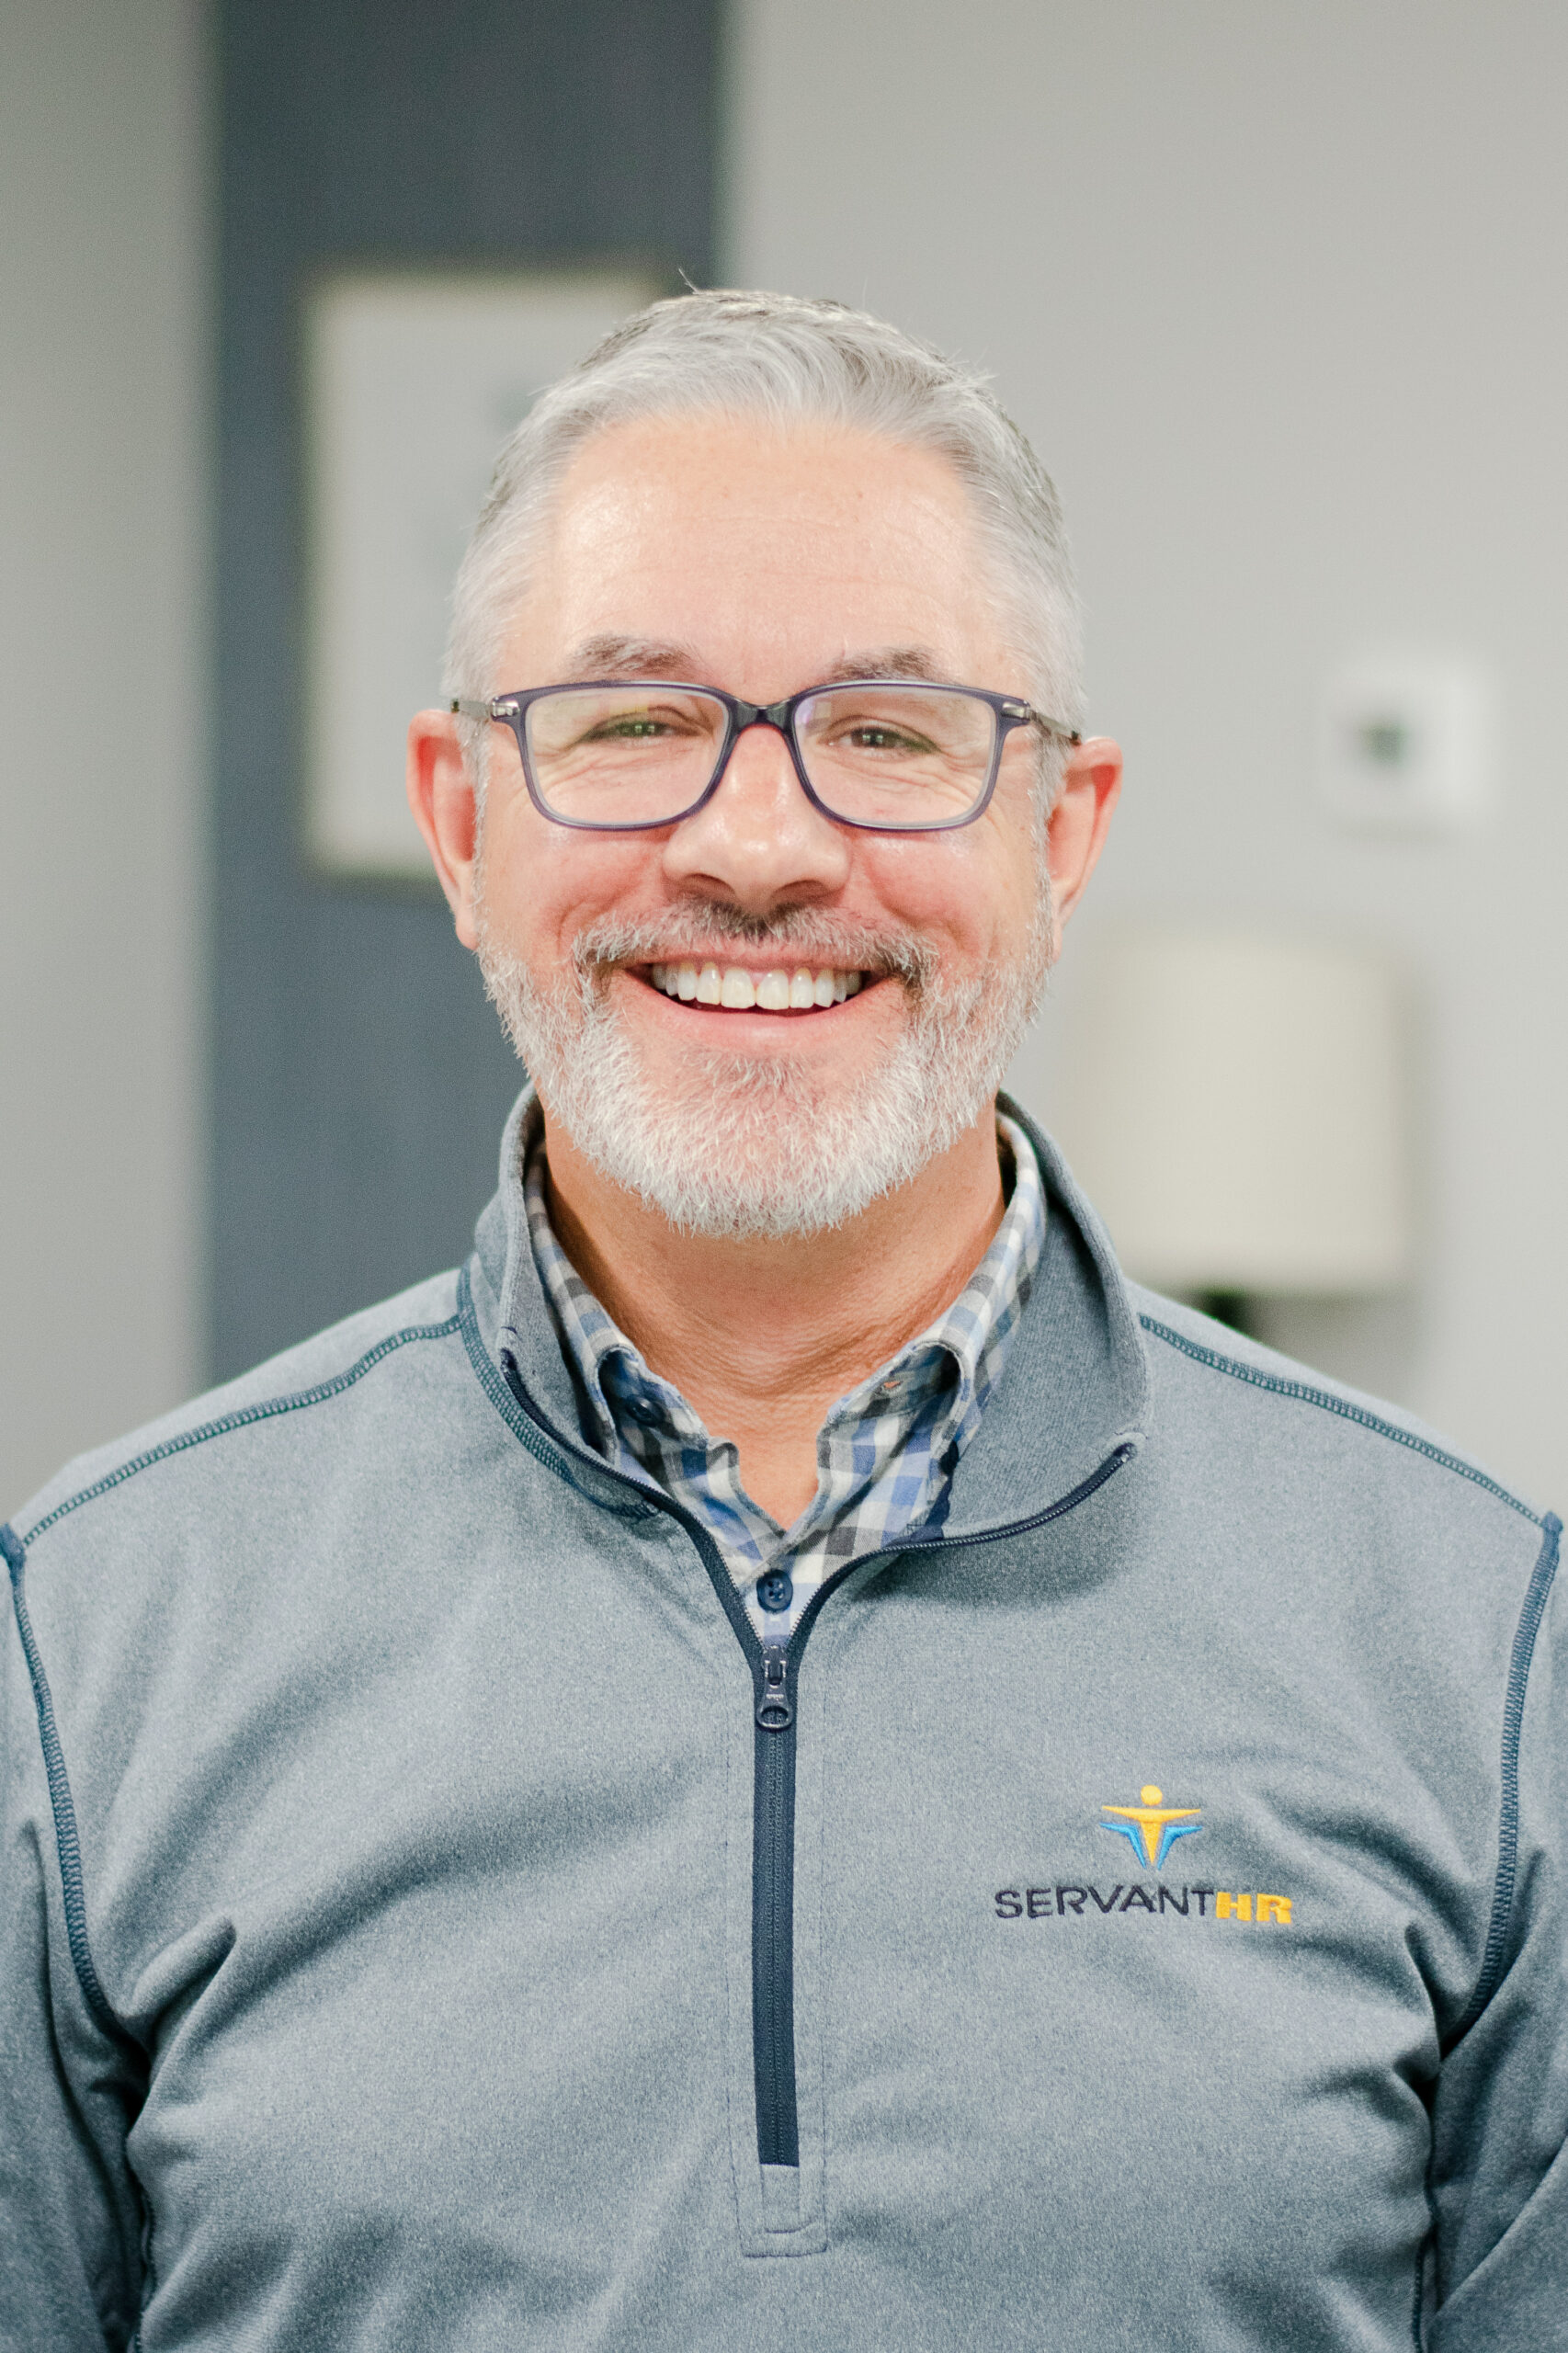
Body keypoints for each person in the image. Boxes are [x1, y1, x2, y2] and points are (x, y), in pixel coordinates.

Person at [2, 290, 1562, 2353]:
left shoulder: (1470, 1623)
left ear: (1058, 834)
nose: (756, 844)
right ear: (464, 822)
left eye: (891, 733)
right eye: (635, 723)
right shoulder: (100, 1630)